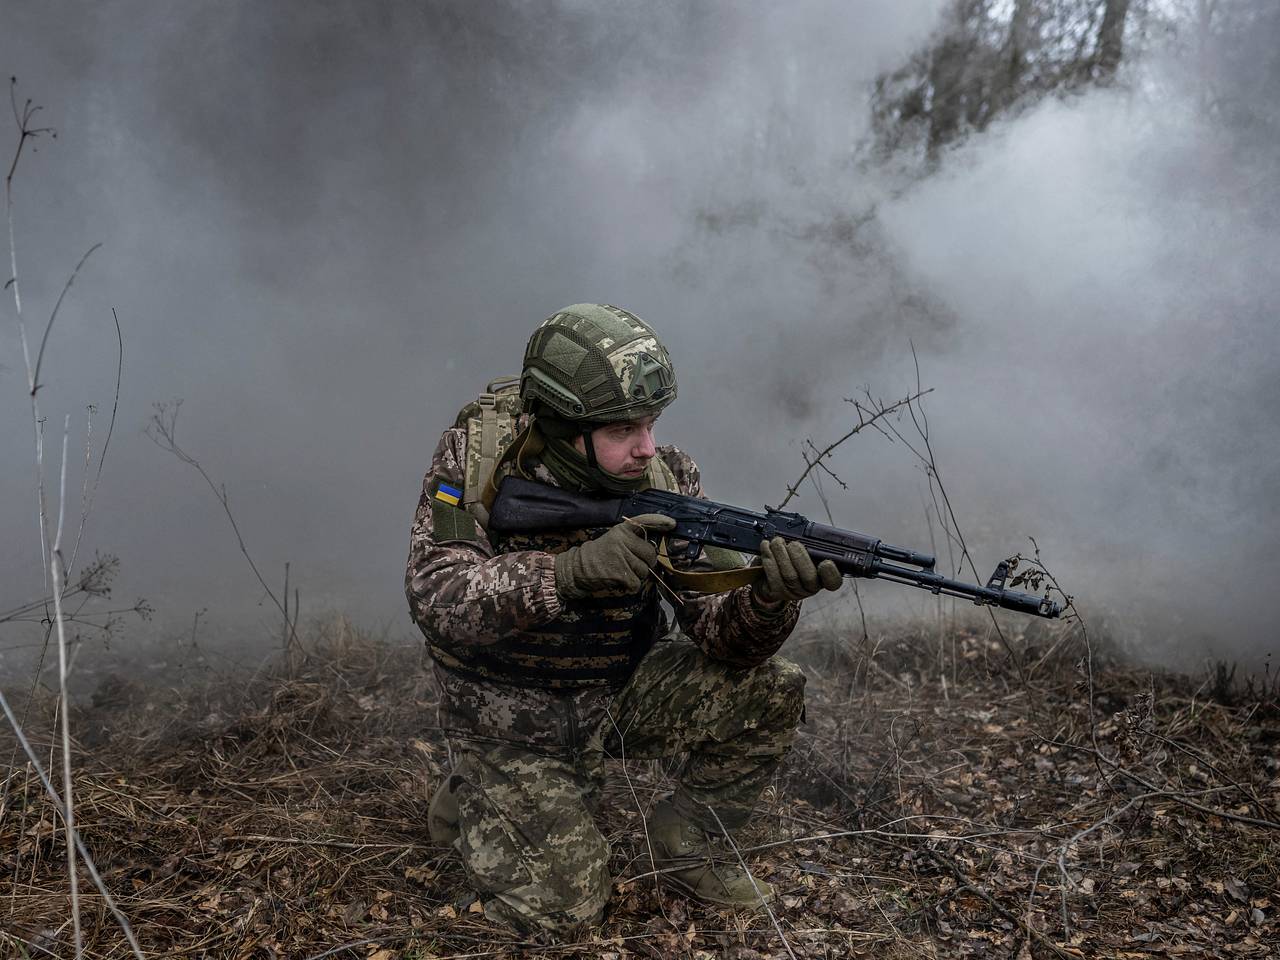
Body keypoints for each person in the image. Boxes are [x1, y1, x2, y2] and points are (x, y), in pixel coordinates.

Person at [405, 303, 841, 935]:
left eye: (651, 423)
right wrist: (567, 574)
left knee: (775, 688)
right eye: (621, 431)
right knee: (564, 915)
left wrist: (769, 599)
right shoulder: (478, 462)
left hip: (618, 691)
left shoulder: (666, 476)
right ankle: (476, 786)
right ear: (562, 425)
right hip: (510, 717)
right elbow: (435, 597)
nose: (647, 447)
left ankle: (688, 837)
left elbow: (721, 635)